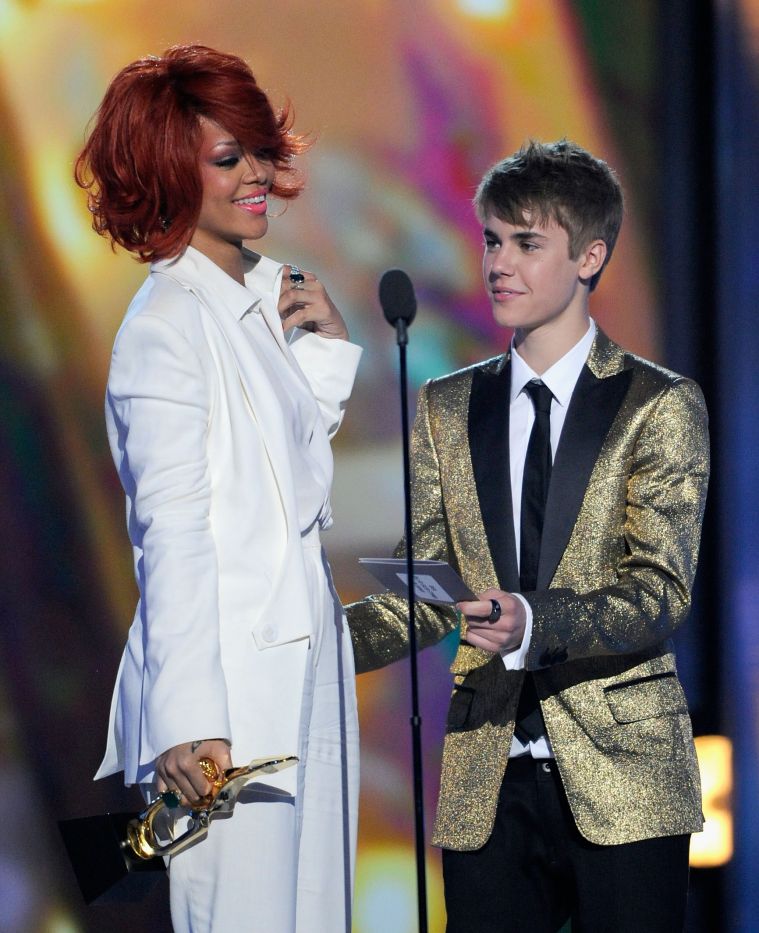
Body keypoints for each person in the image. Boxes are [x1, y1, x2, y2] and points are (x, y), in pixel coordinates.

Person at [346, 139, 708, 932]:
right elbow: (426, 586)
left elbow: (657, 592)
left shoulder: (656, 403)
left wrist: (532, 621)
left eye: (525, 243)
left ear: (589, 257)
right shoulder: (447, 405)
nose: (498, 264)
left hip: (626, 776)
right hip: (487, 774)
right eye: (490, 241)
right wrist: (312, 645)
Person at [75, 45, 362, 932]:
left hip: (307, 669)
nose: (258, 176)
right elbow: (173, 534)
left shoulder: (262, 298)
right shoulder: (166, 327)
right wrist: (189, 718)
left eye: (259, 151)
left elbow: (285, 481)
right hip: (232, 703)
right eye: (227, 158)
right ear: (168, 174)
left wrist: (326, 351)